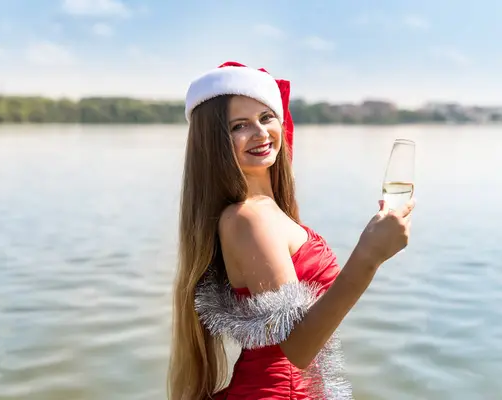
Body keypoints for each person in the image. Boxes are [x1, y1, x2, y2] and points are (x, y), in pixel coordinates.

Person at [167, 61, 415, 400]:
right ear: (214, 142)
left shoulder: (268, 210)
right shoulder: (247, 218)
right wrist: (369, 256)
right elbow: (298, 348)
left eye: (266, 117)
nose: (260, 133)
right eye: (239, 125)